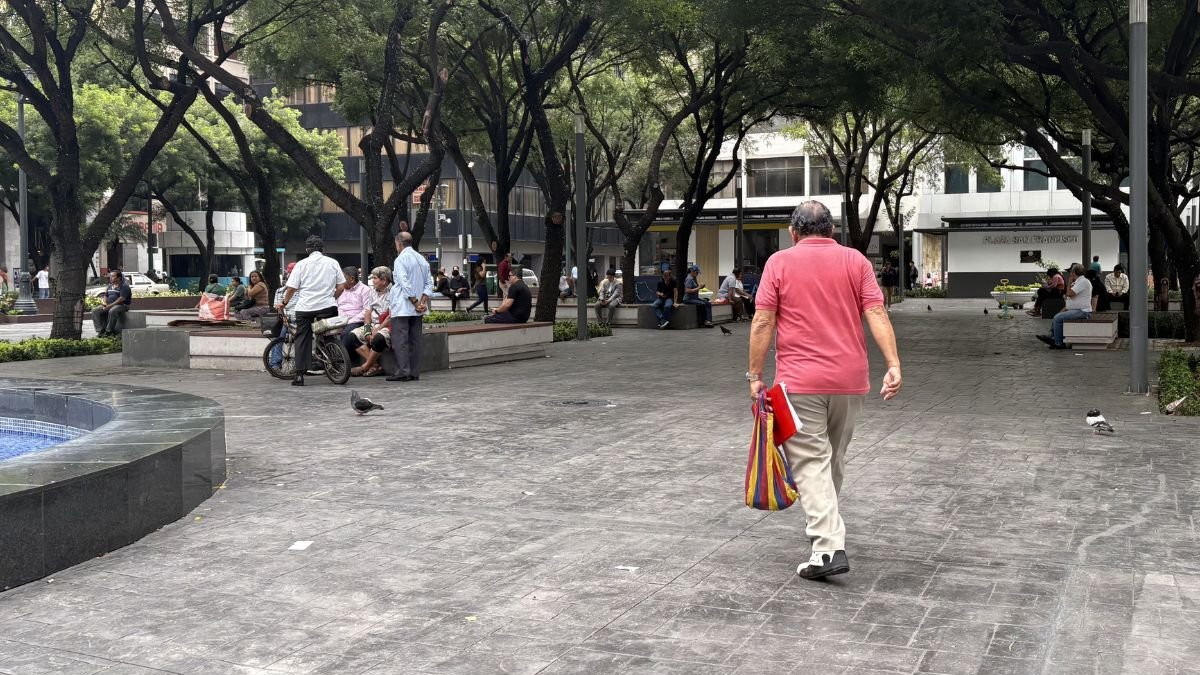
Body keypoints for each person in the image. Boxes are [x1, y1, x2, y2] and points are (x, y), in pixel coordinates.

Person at [748, 200, 901, 580]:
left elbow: (764, 320)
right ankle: (824, 530)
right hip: (850, 380)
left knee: (810, 461)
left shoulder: (779, 263)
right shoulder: (856, 262)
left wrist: (753, 374)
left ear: (793, 232)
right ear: (832, 231)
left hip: (799, 382)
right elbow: (877, 312)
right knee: (832, 458)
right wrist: (894, 364)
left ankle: (828, 548)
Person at [277, 235, 345, 386]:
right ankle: (332, 361)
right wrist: (332, 298)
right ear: (322, 249)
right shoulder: (333, 263)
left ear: (307, 249)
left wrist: (284, 303)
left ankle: (300, 375)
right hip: (328, 306)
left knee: (302, 338)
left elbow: (292, 288)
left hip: (306, 308)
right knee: (328, 334)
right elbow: (341, 287)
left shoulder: (301, 264)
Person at [388, 231, 432, 382]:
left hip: (403, 305)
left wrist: (414, 301)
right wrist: (422, 302)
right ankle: (413, 371)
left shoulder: (401, 259)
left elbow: (404, 282)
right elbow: (429, 283)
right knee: (415, 340)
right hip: (418, 306)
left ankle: (402, 371)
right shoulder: (422, 259)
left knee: (400, 340)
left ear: (399, 243)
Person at [347, 267, 393, 377]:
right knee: (351, 336)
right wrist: (368, 330)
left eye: (375, 278)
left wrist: (377, 329)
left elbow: (391, 316)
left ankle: (365, 367)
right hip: (374, 324)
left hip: (388, 325)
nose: (372, 280)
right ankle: (375, 366)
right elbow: (368, 312)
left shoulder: (394, 292)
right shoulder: (372, 292)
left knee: (379, 338)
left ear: (384, 280)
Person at [1038, 263, 1092, 350]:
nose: (1070, 274)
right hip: (1076, 310)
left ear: (1074, 272)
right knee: (1058, 315)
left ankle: (1058, 343)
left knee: (1058, 318)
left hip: (1083, 311)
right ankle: (1052, 337)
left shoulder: (1083, 282)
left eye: (1070, 271)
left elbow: (1069, 294)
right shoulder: (1079, 282)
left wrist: (1069, 281)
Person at [336, 265, 373, 357]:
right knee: (322, 331)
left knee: (346, 334)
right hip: (339, 320)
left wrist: (349, 321)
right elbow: (336, 305)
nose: (340, 282)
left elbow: (366, 310)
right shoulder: (340, 290)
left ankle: (342, 361)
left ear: (351, 279)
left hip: (356, 321)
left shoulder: (365, 290)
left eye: (342, 279)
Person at [91, 270, 132, 337]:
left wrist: (110, 306)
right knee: (95, 311)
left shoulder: (124, 287)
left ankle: (109, 331)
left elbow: (121, 299)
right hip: (109, 305)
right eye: (110, 276)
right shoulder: (109, 286)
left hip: (122, 305)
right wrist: (104, 303)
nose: (110, 278)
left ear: (119, 278)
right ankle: (100, 331)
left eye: (112, 276)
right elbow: (106, 295)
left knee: (112, 311)